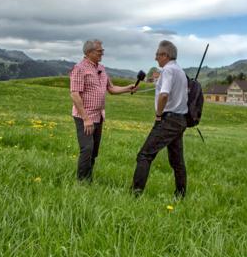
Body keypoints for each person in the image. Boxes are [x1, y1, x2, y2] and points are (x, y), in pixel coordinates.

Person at [69, 40, 137, 181]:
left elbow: (111, 89)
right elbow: (74, 94)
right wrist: (86, 118)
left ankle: (88, 178)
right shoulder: (79, 68)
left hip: (99, 116)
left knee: (93, 151)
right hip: (85, 117)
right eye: (99, 51)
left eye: (102, 50)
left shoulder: (101, 68)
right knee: (87, 149)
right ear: (89, 53)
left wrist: (127, 88)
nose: (102, 53)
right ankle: (82, 182)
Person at [132, 39, 189, 197]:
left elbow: (164, 94)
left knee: (144, 155)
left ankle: (135, 194)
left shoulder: (168, 71)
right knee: (177, 160)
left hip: (168, 119)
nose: (155, 58)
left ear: (166, 55)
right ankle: (181, 194)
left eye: (157, 54)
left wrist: (158, 114)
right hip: (180, 119)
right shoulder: (180, 71)